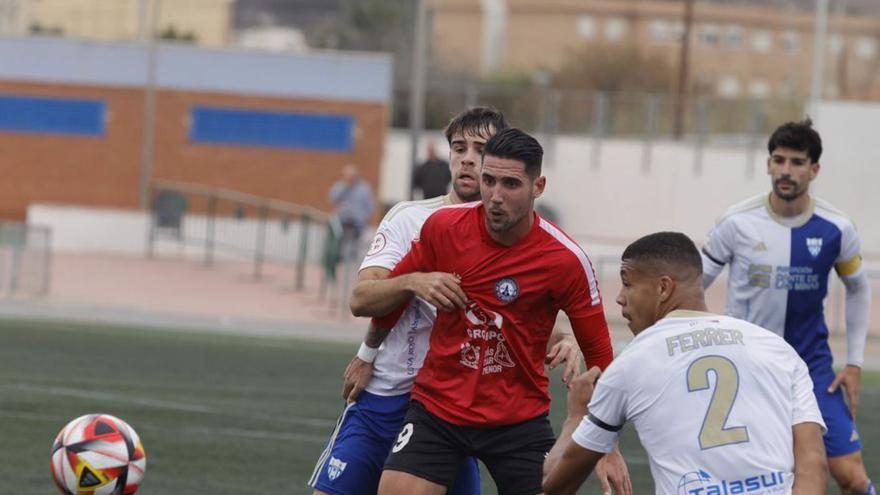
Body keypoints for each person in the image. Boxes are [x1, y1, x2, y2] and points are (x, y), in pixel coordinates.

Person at [309, 108, 584, 495]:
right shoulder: (413, 219)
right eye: (459, 148)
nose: (468, 158)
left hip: (453, 408)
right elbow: (363, 297)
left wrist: (563, 336)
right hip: (389, 395)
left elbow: (509, 312)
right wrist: (407, 292)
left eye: (480, 148)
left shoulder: (510, 232)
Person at [371, 128, 630, 495]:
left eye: (510, 184)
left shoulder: (566, 260)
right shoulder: (444, 228)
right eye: (488, 180)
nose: (494, 196)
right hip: (438, 410)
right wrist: (368, 354)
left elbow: (600, 352)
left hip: (518, 421)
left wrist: (608, 443)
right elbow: (394, 296)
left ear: (537, 186)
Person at [542, 232, 829, 495]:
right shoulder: (777, 348)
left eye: (627, 283)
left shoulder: (632, 362)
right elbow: (813, 464)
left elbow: (556, 485)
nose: (619, 298)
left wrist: (577, 416)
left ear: (663, 288)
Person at [700, 119, 874, 494]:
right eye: (778, 160)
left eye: (797, 162)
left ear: (814, 170)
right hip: (747, 370)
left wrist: (855, 362)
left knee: (853, 478)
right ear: (767, 164)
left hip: (812, 368)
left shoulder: (836, 228)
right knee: (749, 478)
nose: (785, 170)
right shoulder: (736, 222)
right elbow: (692, 286)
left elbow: (859, 289)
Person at [329, 164, 375, 261]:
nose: (351, 178)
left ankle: (351, 261)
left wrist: (366, 217)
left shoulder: (364, 188)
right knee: (337, 237)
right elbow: (332, 198)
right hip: (342, 219)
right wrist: (345, 186)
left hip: (358, 221)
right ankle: (337, 258)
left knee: (355, 243)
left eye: (352, 176)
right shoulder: (340, 186)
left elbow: (370, 205)